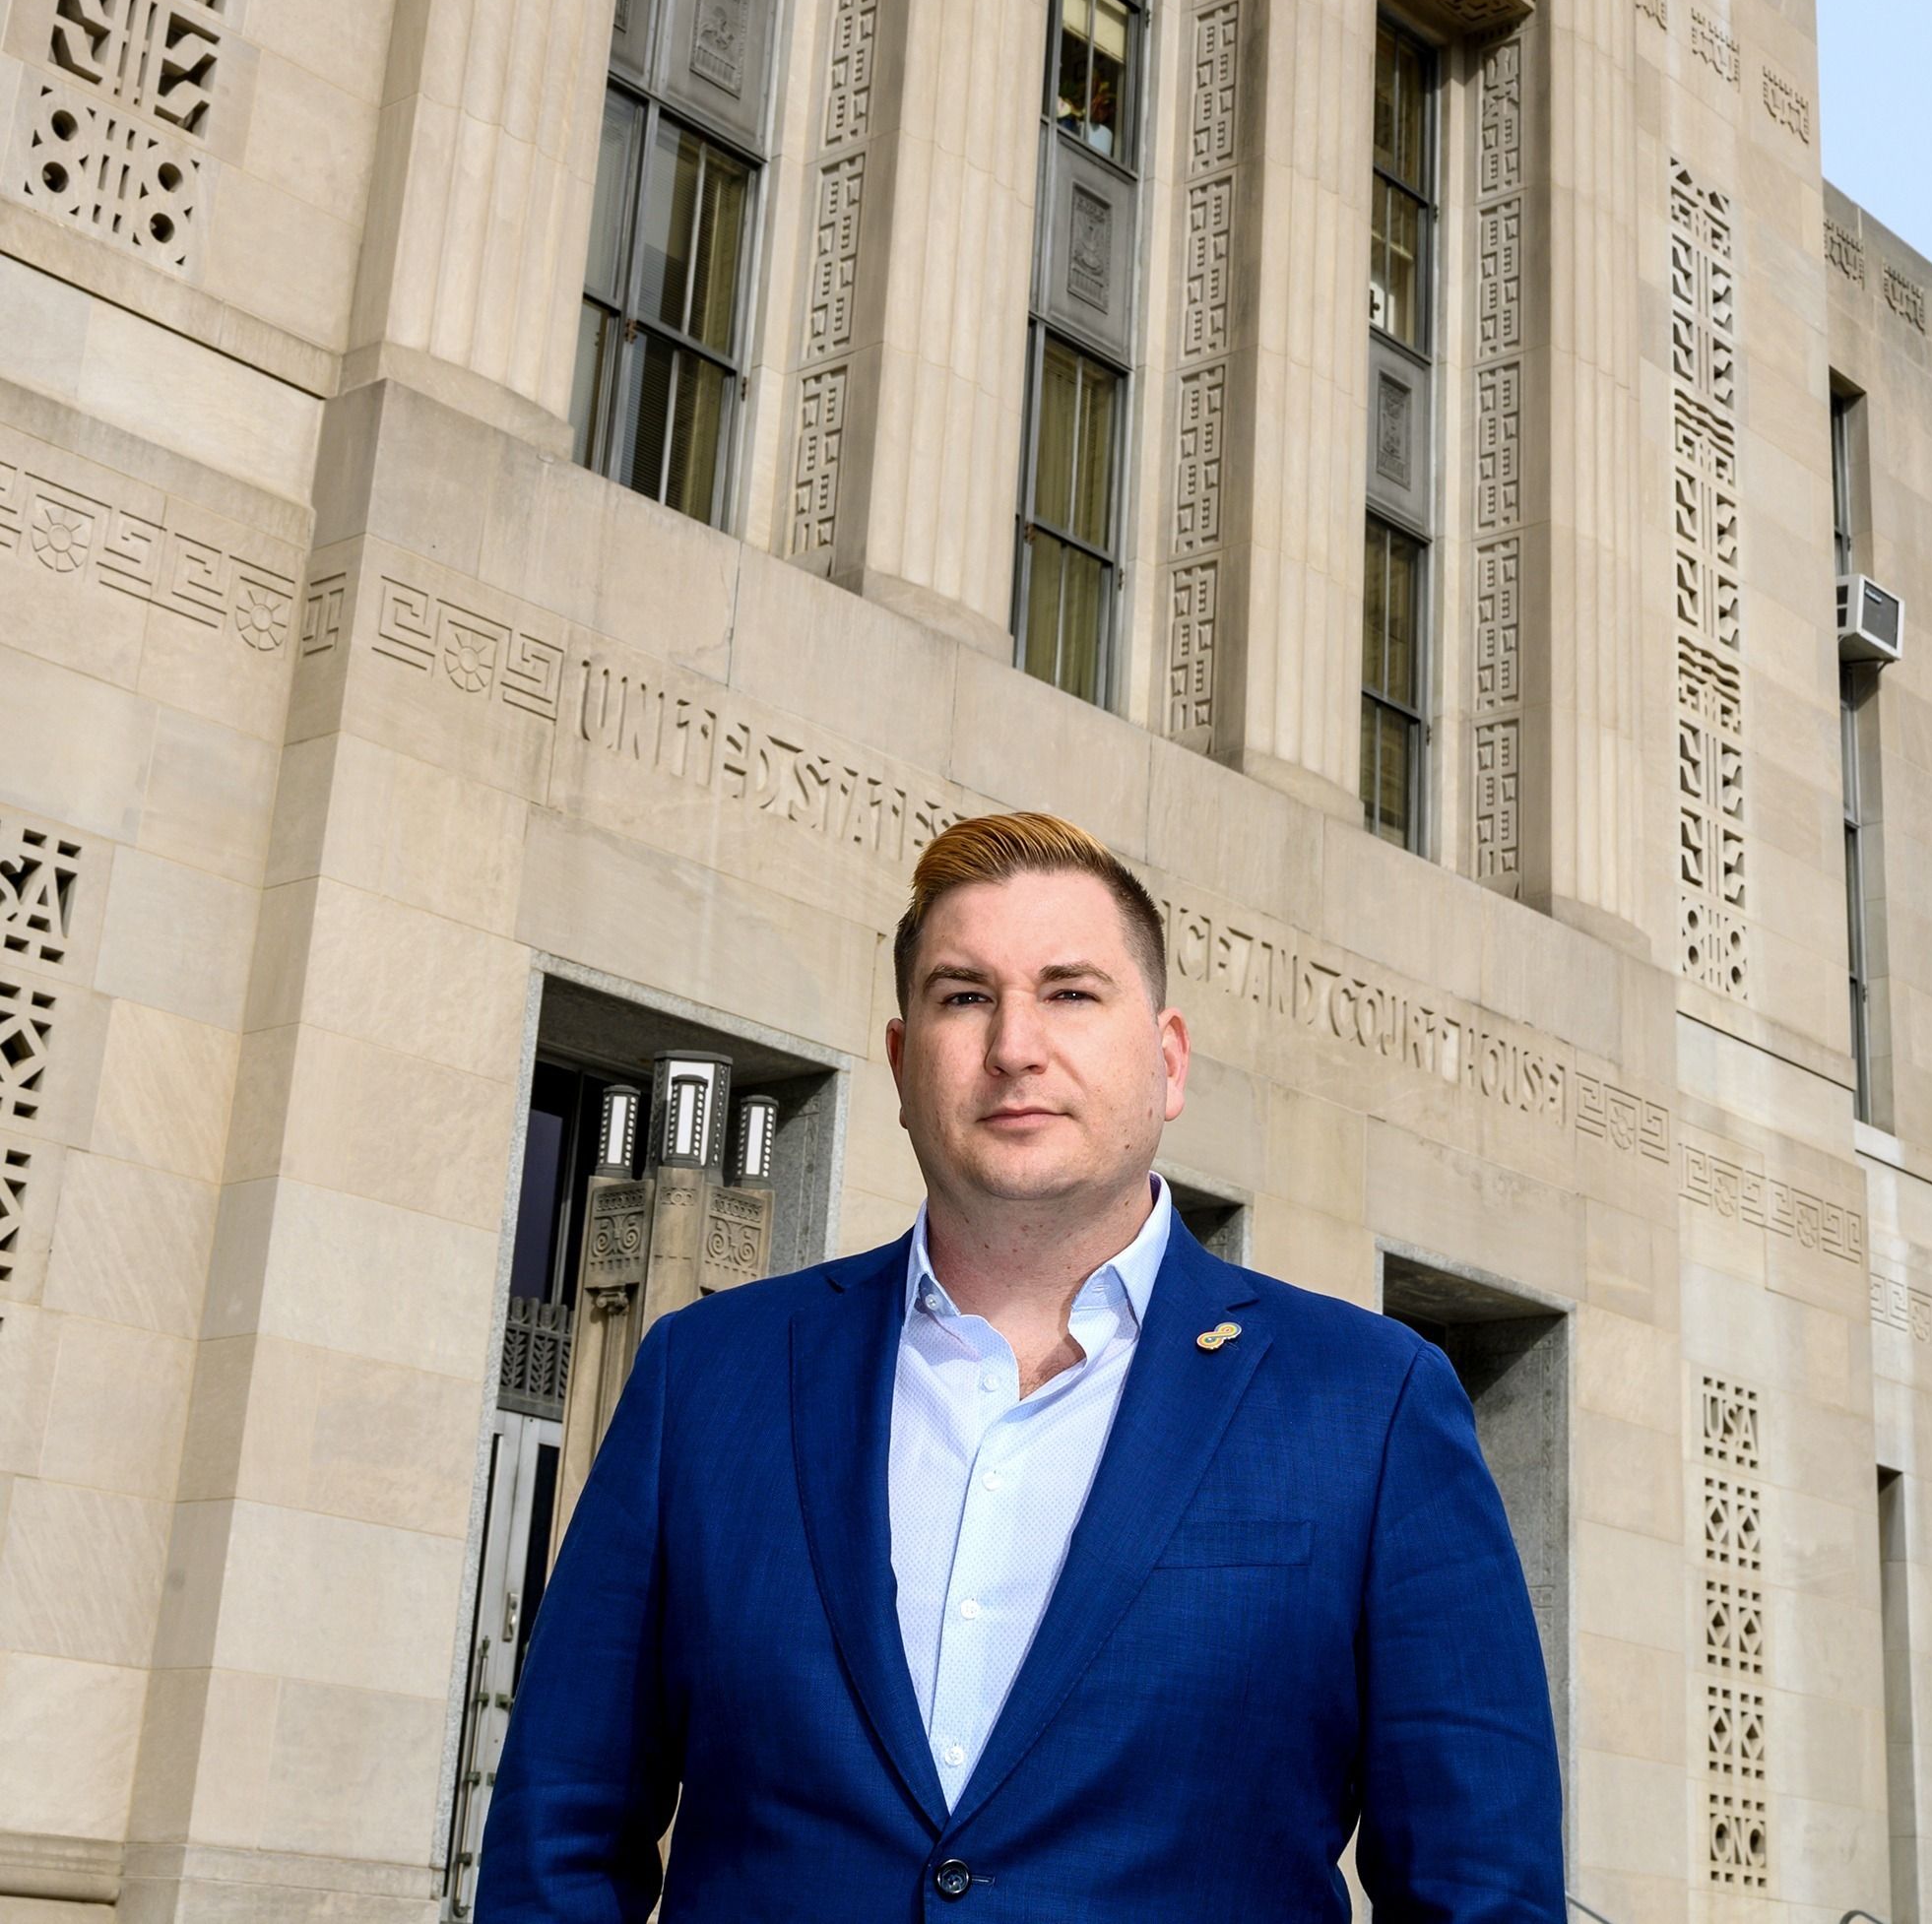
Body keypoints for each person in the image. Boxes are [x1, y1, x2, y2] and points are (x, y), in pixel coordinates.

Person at [476, 810, 1566, 1921]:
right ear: (902, 1066)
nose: (1012, 1047)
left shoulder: (1367, 1407)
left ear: (1167, 1059)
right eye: (962, 996)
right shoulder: (705, 1379)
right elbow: (557, 1840)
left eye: (1070, 992)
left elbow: (1478, 1889)